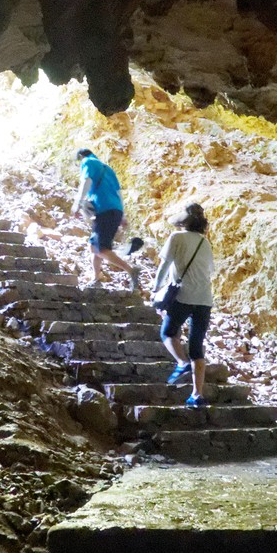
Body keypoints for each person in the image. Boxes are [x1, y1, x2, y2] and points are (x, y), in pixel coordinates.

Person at [151, 203, 214, 408]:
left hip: (184, 296)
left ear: (183, 222)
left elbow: (164, 265)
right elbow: (209, 271)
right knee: (197, 347)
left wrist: (156, 288)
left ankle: (182, 363)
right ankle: (197, 395)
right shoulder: (204, 242)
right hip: (205, 299)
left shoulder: (176, 237)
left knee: (168, 332)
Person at [72, 148, 141, 292]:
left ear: (80, 157)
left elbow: (87, 181)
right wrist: (122, 215)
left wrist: (77, 204)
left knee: (99, 248)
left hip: (105, 210)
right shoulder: (108, 169)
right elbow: (118, 192)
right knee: (94, 245)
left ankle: (131, 270)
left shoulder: (87, 162)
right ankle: (96, 278)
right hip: (115, 210)